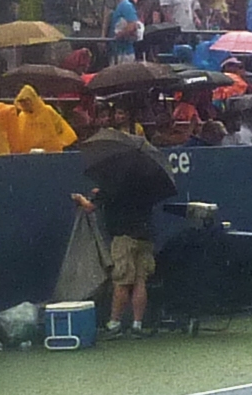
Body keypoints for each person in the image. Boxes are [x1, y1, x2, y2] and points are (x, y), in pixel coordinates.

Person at [76, 135, 177, 338]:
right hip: (145, 237)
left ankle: (114, 324)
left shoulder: (113, 181)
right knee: (140, 282)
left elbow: (90, 207)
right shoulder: (148, 184)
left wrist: (80, 198)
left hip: (123, 237)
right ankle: (137, 324)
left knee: (122, 281)